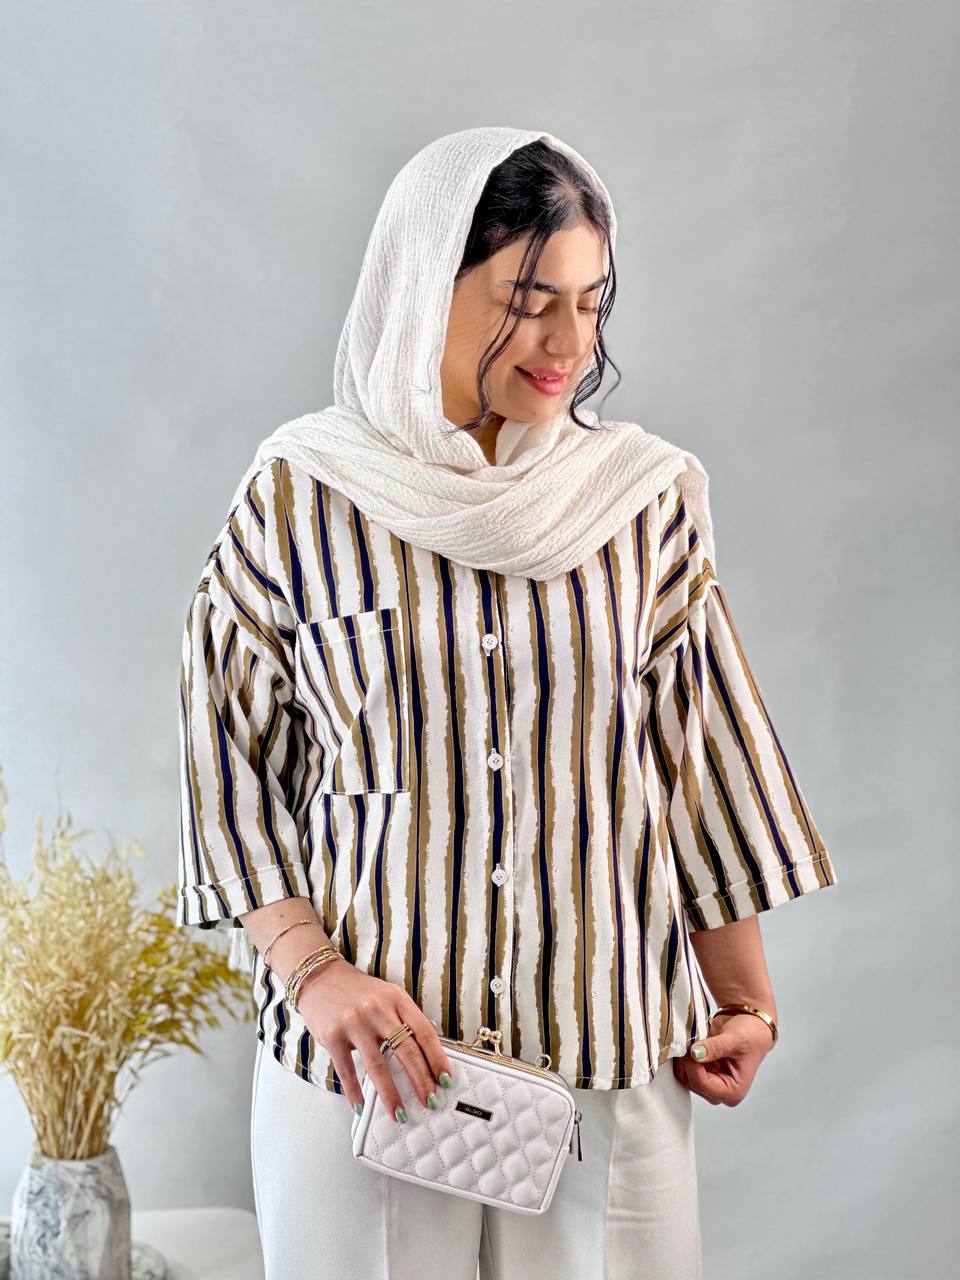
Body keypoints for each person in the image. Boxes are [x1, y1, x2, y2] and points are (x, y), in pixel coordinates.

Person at [176, 126, 838, 1279]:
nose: (568, 343)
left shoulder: (641, 500)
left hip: (603, 1062)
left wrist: (745, 995)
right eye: (529, 302)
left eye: (590, 303)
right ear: (425, 284)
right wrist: (315, 973)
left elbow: (701, 751)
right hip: (366, 1069)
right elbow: (226, 760)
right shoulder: (299, 498)